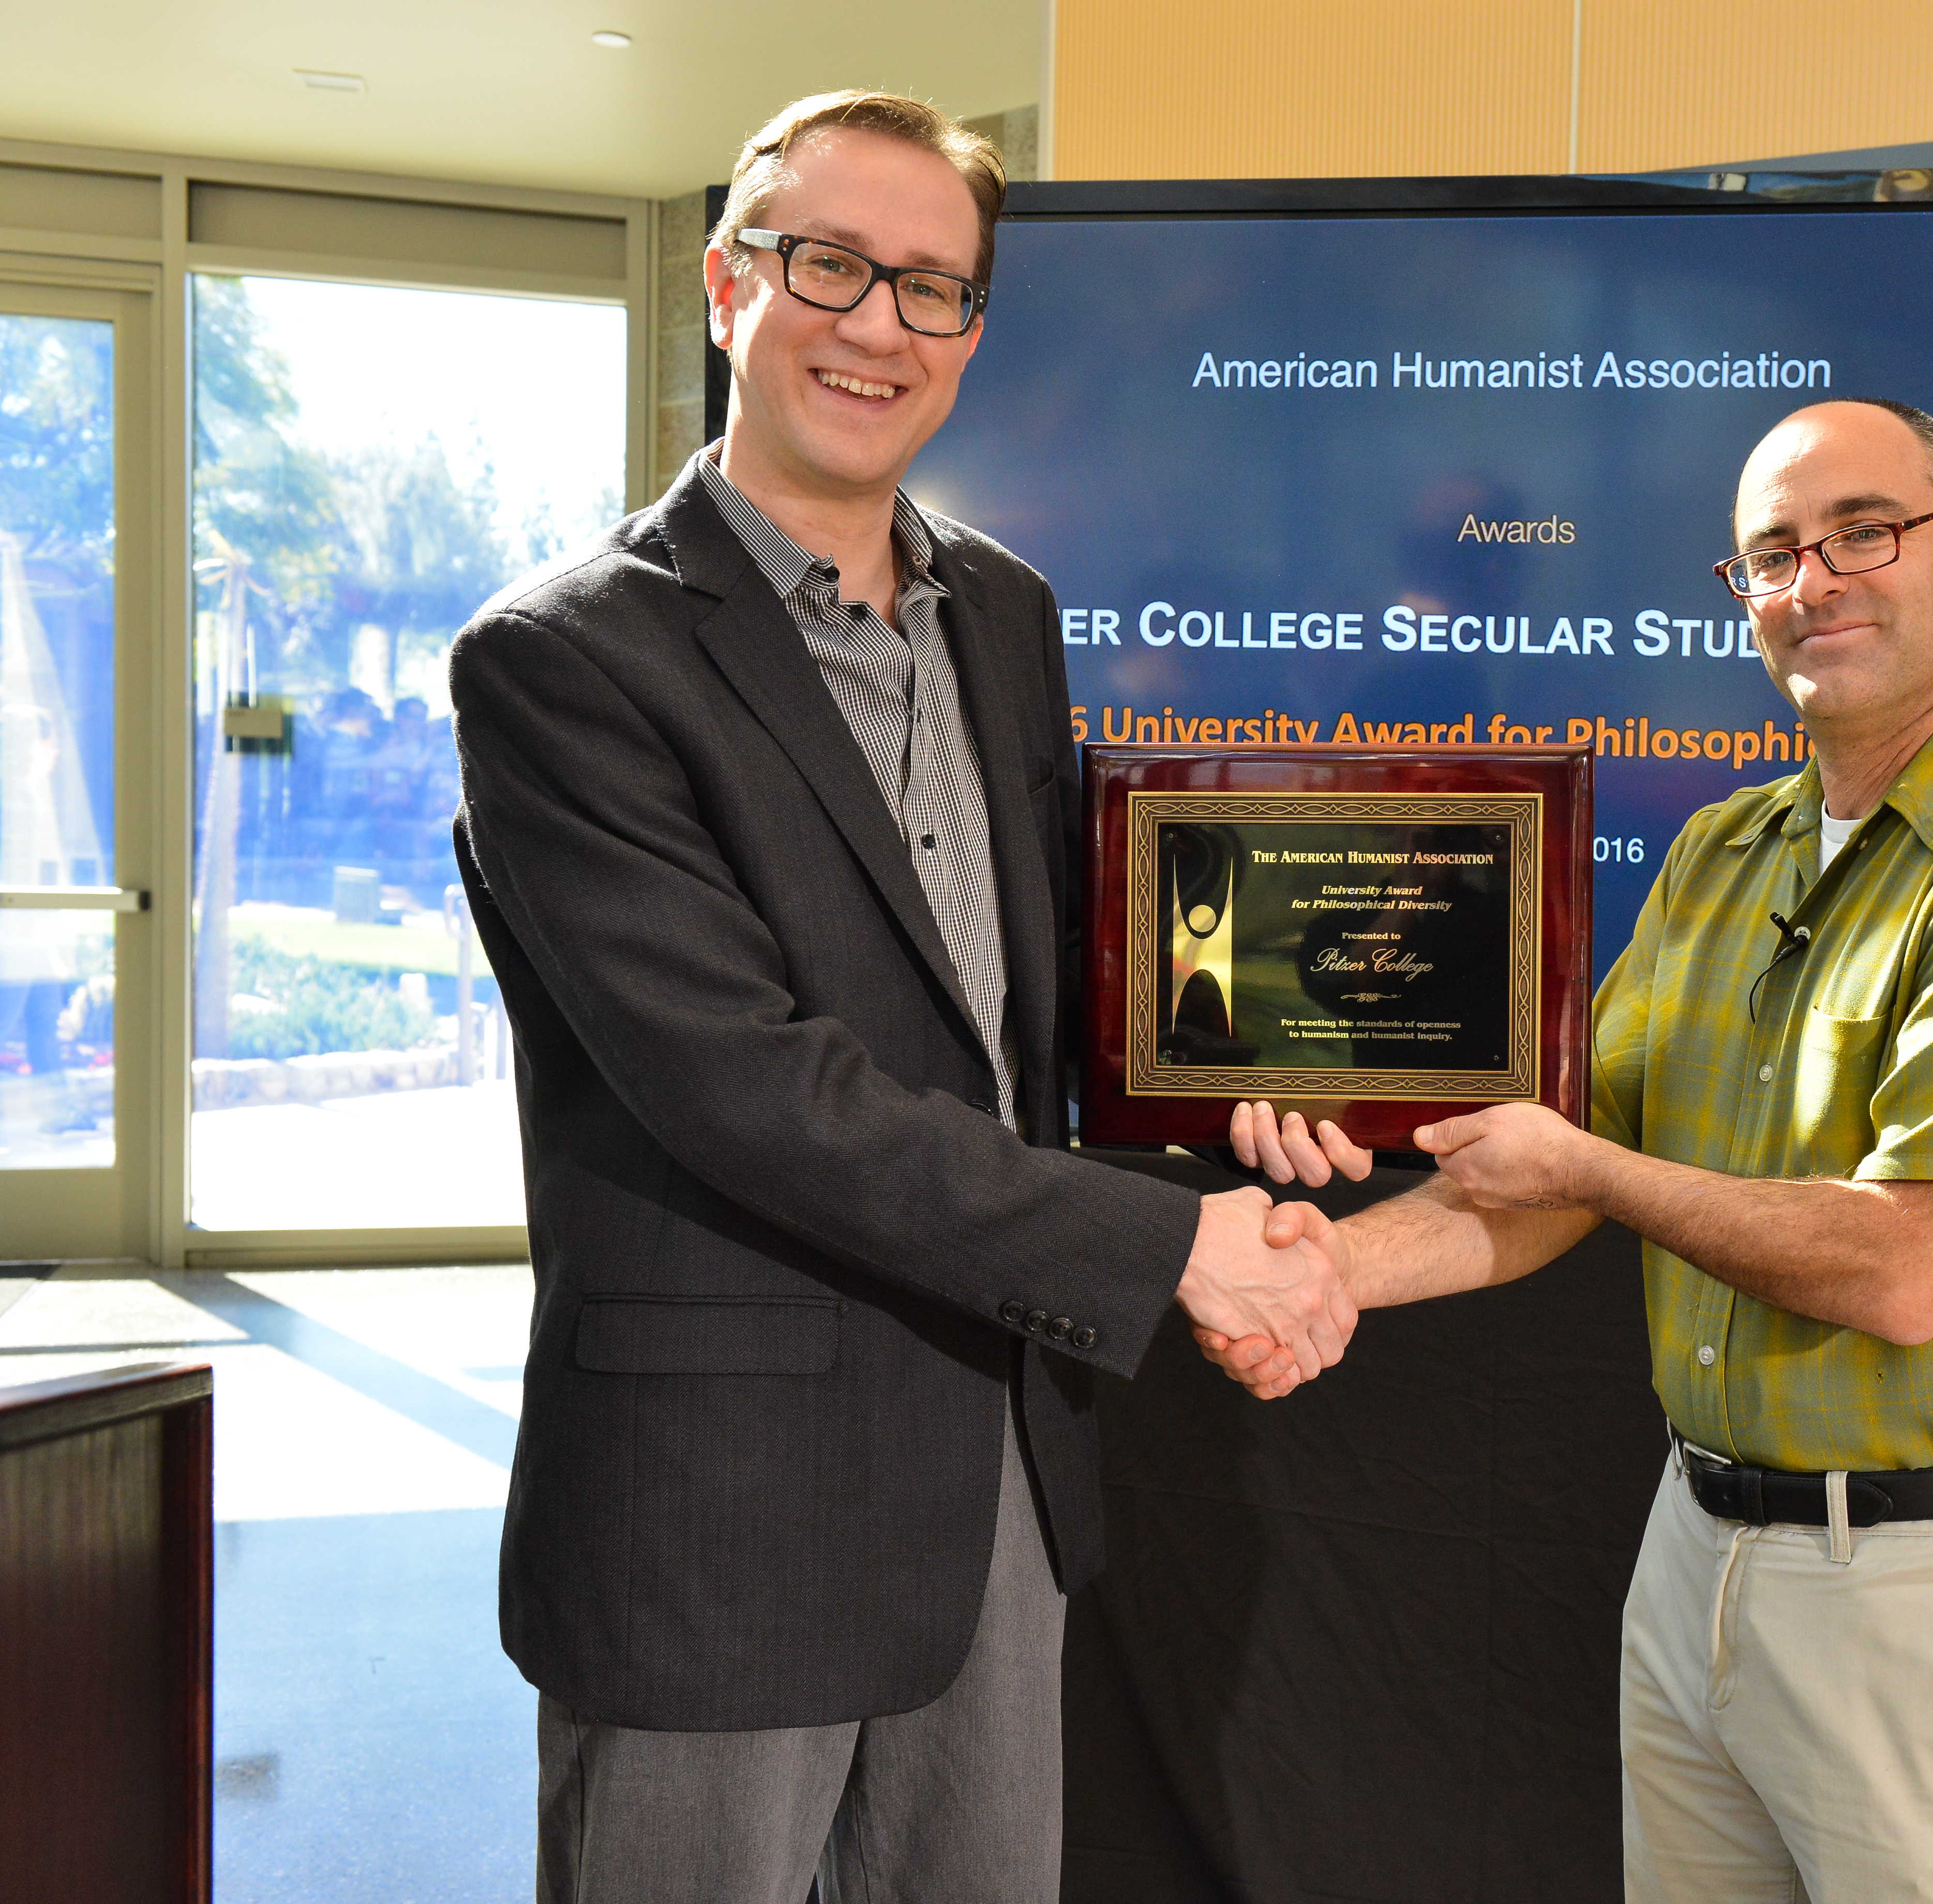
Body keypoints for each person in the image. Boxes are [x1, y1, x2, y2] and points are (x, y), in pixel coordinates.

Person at [447, 90, 1351, 1904]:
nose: (878, 326)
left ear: (974, 332)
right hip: (718, 1515)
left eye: (931, 287)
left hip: (998, 1486)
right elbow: (748, 1087)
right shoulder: (562, 662)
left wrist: (1244, 1064)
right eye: (830, 266)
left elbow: (1022, 1002)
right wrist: (1176, 1250)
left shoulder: (1001, 614)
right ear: (727, 285)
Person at [1209, 399, 1933, 1901]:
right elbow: (1550, 1171)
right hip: (1697, 1553)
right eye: (1772, 555)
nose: (1816, 581)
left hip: (1925, 1589)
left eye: (1866, 532)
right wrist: (1319, 1271)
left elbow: (1910, 1265)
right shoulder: (1726, 853)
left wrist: (1587, 1172)